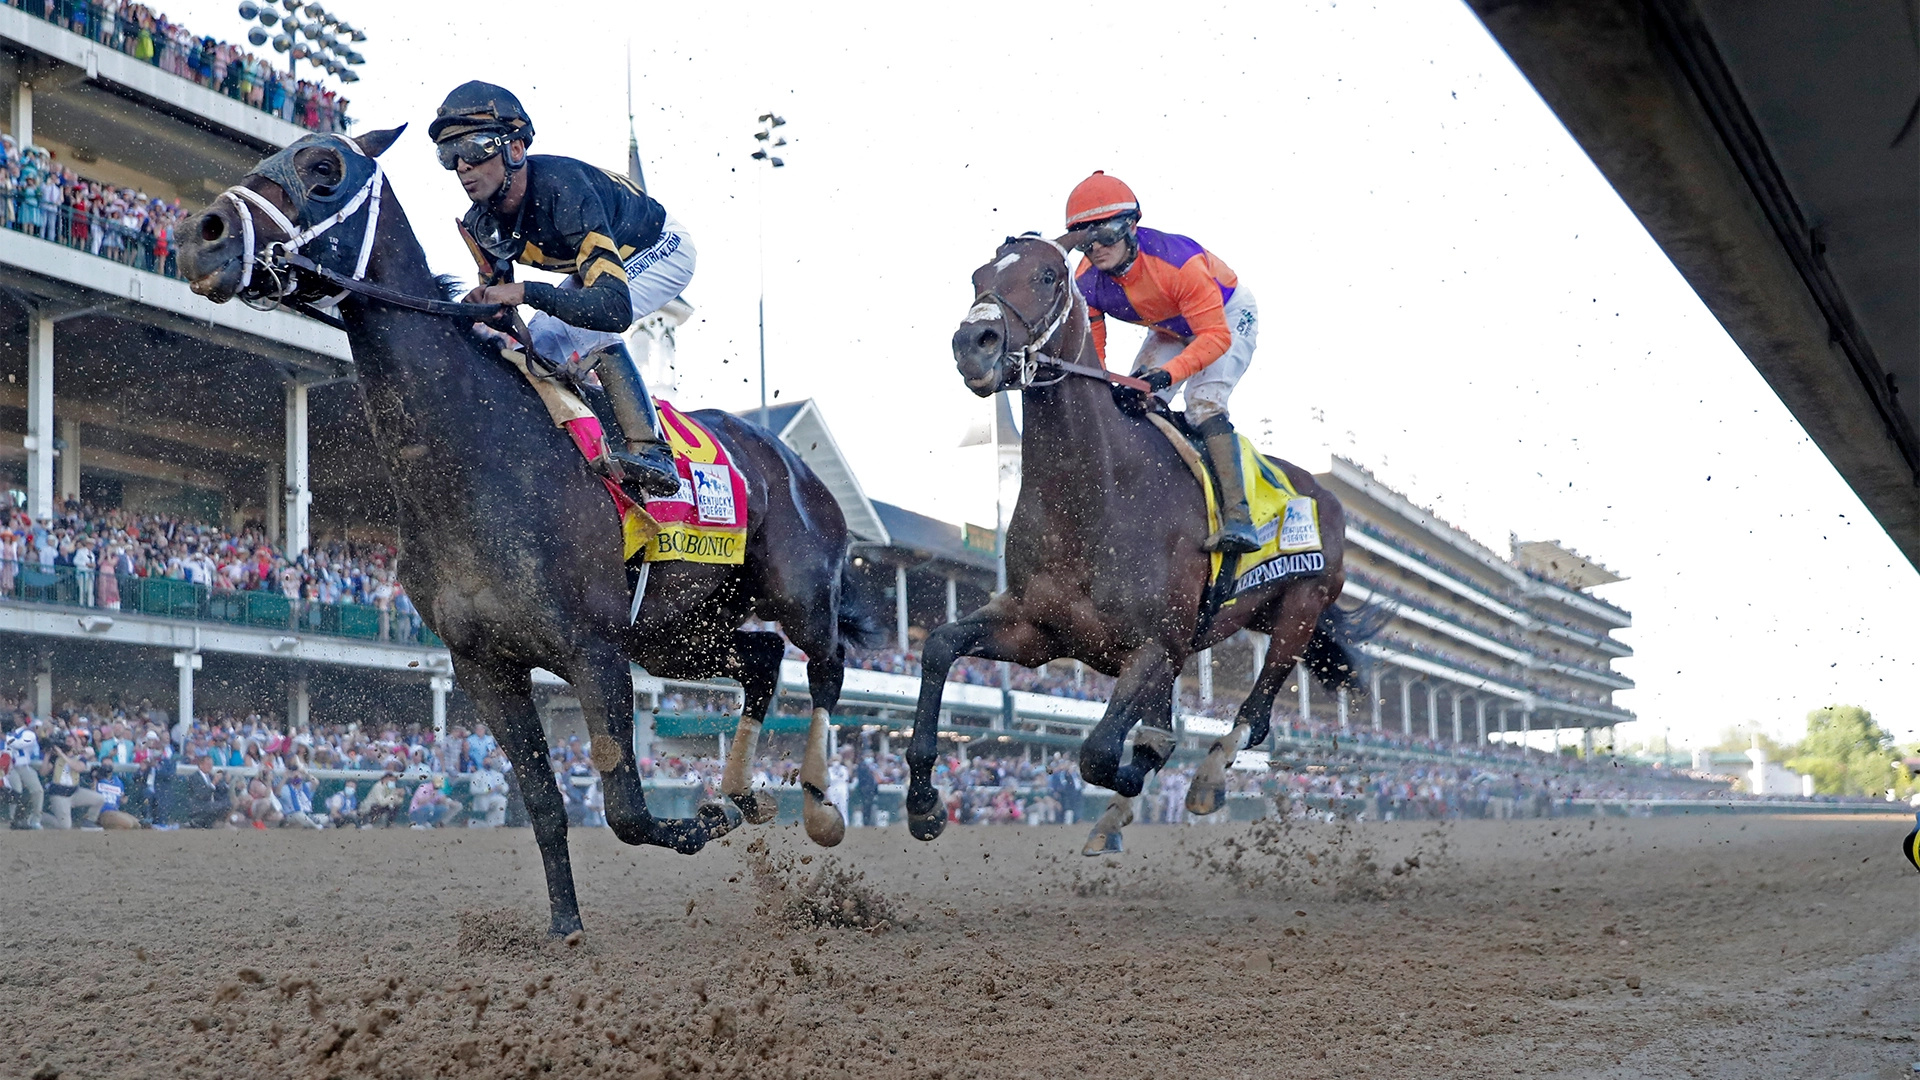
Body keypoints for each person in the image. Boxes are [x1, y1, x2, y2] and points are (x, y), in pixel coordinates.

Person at [429, 81, 692, 501]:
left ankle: (653, 452)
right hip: (603, 263)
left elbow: (613, 309)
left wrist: (527, 291)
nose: (462, 165)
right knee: (545, 342)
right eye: (448, 154)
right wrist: (484, 306)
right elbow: (507, 316)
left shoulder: (564, 192)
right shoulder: (481, 223)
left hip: (658, 246)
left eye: (475, 148)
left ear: (515, 149)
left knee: (581, 329)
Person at [1064, 171, 1261, 553]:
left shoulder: (1178, 263)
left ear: (1130, 226)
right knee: (1137, 402)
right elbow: (1096, 354)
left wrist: (1167, 374)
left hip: (1227, 315)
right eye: (1087, 242)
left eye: (1105, 235)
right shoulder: (1085, 282)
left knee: (1203, 406)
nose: (1097, 250)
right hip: (1170, 325)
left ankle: (1239, 518)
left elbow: (1216, 337)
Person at [467, 751, 509, 827]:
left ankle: (500, 823)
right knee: (488, 825)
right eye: (486, 761)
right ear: (483, 763)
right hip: (483, 798)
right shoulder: (477, 775)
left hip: (495, 797)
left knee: (502, 800)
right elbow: (473, 790)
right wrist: (487, 790)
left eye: (489, 761)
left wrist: (501, 788)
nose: (488, 763)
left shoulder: (498, 775)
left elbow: (506, 787)